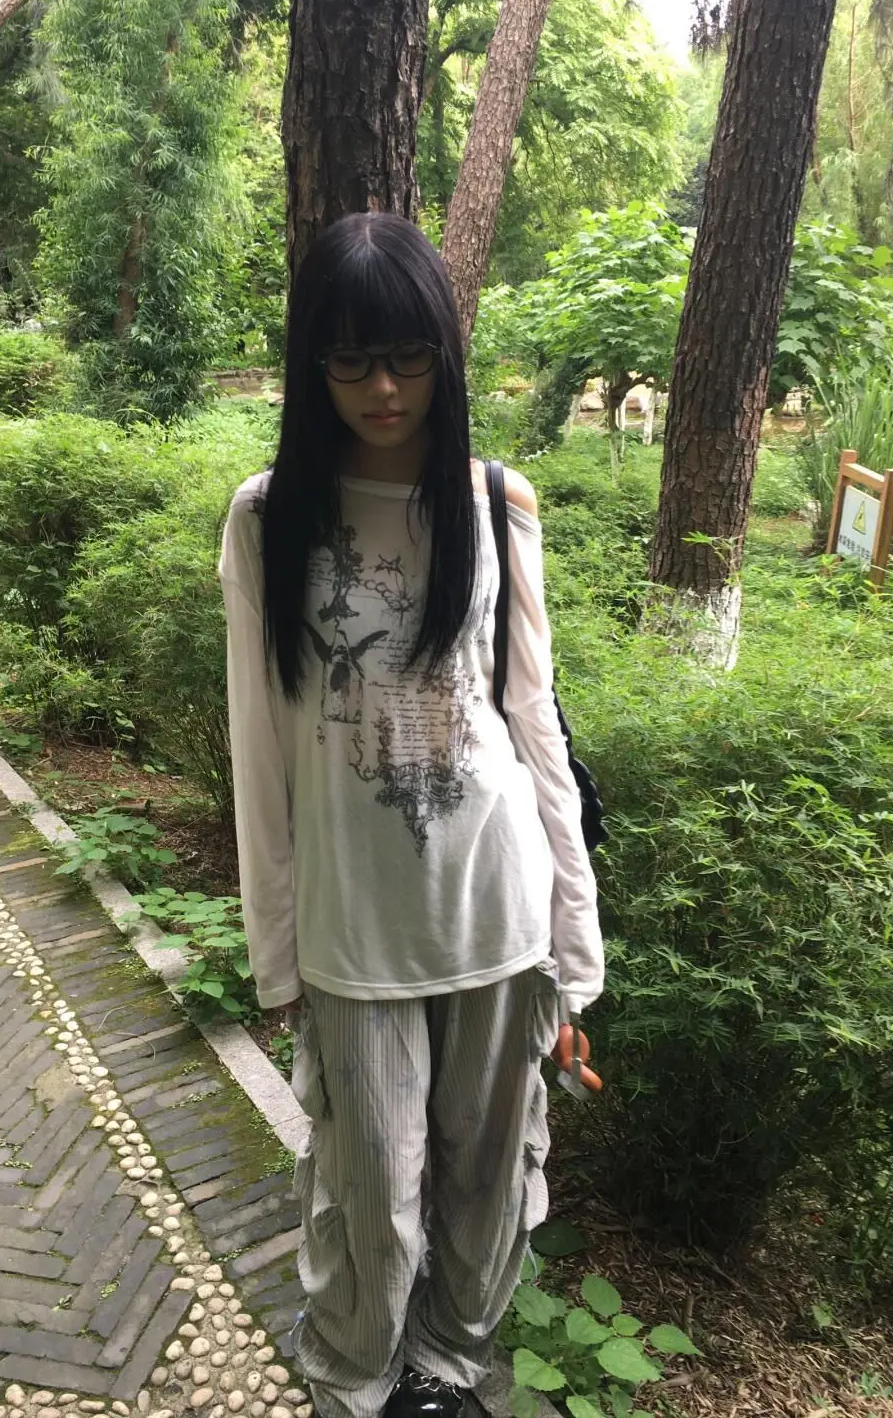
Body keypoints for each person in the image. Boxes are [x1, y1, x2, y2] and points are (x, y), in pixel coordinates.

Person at [218, 213, 605, 1418]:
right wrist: (276, 948)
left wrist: (575, 935)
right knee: (371, 1188)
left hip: (497, 907)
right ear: (312, 365)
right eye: (349, 359)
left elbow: (532, 721)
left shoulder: (496, 502)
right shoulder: (268, 518)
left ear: (445, 350)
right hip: (355, 931)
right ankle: (355, 1374)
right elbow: (259, 747)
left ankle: (448, 1363)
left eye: (407, 356)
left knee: (488, 1175)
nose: (382, 388)